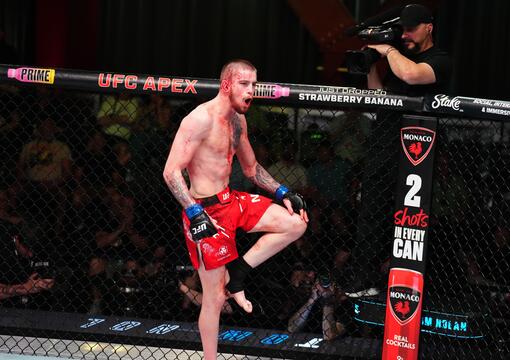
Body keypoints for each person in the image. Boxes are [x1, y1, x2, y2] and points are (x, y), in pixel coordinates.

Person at [162, 59, 308, 360]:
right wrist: (193, 212)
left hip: (231, 200)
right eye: (245, 84)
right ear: (226, 84)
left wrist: (283, 191)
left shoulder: (239, 122)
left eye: (254, 84)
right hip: (203, 211)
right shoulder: (199, 119)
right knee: (214, 298)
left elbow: (251, 168)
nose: (251, 91)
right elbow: (171, 172)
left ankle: (239, 272)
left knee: (296, 223)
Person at [345, 3, 452, 296]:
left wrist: (388, 50)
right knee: (371, 212)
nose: (405, 34)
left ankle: (412, 283)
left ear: (428, 28)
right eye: (402, 29)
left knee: (410, 219)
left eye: (411, 28)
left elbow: (413, 76)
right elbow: (380, 95)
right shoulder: (398, 59)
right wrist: (371, 65)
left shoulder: (439, 60)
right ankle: (363, 280)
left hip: (418, 151)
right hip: (384, 142)